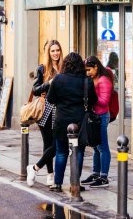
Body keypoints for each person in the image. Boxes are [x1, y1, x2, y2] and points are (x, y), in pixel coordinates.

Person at [46, 52, 97, 192]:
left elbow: (50, 99)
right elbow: (93, 100)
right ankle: (75, 183)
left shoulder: (58, 79)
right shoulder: (86, 81)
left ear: (66, 64)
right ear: (81, 65)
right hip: (80, 122)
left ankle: (57, 183)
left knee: (61, 152)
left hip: (61, 121)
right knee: (79, 152)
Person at [26, 40, 63, 187]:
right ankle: (50, 174)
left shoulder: (64, 67)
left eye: (57, 50)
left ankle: (34, 167)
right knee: (48, 143)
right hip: (46, 108)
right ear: (48, 53)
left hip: (60, 109)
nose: (55, 53)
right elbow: (35, 89)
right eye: (53, 51)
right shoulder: (42, 69)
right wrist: (49, 82)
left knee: (57, 143)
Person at [81, 56, 114, 188]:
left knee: (103, 147)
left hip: (101, 116)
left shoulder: (104, 80)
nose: (87, 72)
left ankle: (104, 177)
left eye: (89, 69)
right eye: (86, 70)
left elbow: (104, 101)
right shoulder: (93, 79)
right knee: (95, 146)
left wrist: (91, 97)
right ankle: (95, 173)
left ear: (96, 67)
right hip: (94, 116)